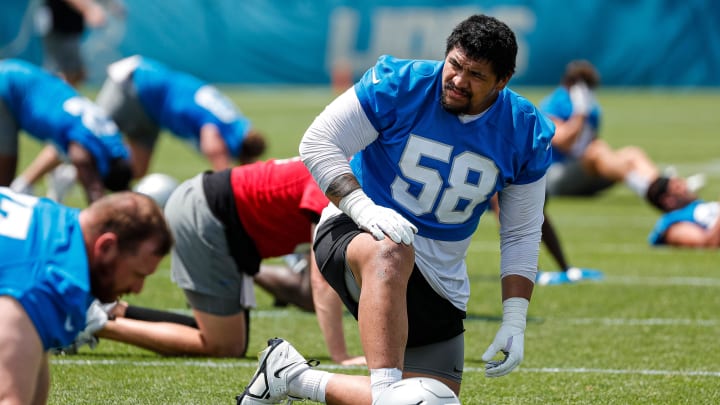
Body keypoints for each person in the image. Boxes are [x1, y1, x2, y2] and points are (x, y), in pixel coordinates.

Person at [237, 14, 554, 404]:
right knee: (391, 248)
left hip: (440, 277)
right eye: (454, 64)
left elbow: (521, 231)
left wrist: (515, 315)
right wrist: (364, 210)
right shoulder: (401, 84)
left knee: (435, 398)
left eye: (475, 74)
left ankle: (291, 376)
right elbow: (318, 142)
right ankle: (386, 393)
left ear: (501, 82)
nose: (457, 79)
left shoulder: (525, 129)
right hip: (357, 233)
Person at [66, 157, 364, 365]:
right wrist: (340, 355)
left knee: (223, 334)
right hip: (209, 216)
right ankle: (93, 323)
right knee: (225, 345)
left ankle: (108, 311)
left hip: (218, 218)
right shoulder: (336, 175)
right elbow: (319, 279)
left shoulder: (342, 166)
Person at [0, 187, 173, 404]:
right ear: (106, 246)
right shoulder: (42, 281)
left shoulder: (55, 224)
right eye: (137, 274)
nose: (138, 289)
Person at [95, 54, 267, 178]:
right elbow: (211, 141)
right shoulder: (228, 132)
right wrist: (223, 173)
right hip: (138, 85)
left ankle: (99, 172)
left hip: (153, 110)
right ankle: (76, 171)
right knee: (91, 138)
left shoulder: (236, 122)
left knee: (136, 170)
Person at [1, 58, 133, 203]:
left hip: (21, 75)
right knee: (4, 182)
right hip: (8, 86)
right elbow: (86, 170)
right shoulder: (86, 148)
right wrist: (95, 192)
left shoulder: (112, 139)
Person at [646, 175, 720, 247]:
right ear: (669, 200)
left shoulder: (696, 206)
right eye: (678, 187)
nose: (685, 185)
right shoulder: (674, 226)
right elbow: (709, 243)